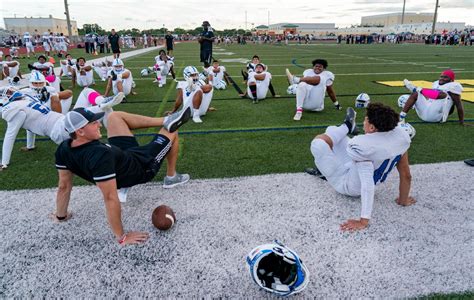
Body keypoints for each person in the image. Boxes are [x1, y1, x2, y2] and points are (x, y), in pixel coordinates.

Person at [51, 105, 192, 245]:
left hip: (122, 156)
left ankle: (167, 119)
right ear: (80, 131)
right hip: (142, 166)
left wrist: (61, 216)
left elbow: (64, 186)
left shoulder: (63, 149)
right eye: (94, 123)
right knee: (172, 130)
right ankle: (171, 177)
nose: (99, 124)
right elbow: (110, 197)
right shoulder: (100, 157)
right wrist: (122, 237)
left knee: (114, 117)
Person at [307, 104, 414, 231]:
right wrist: (403, 199)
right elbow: (406, 174)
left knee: (318, 144)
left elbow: (367, 184)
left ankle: (346, 127)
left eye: (365, 120)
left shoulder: (365, 147)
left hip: (346, 185)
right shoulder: (401, 138)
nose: (363, 122)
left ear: (372, 127)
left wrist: (363, 221)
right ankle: (347, 126)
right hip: (353, 170)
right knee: (332, 131)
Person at [0, 86, 124, 169]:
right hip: (60, 129)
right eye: (8, 93)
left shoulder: (20, 104)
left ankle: (103, 103)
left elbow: (24, 127)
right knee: (104, 107)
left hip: (62, 123)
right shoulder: (16, 107)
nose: (12, 92)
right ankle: (104, 105)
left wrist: (29, 146)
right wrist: (4, 162)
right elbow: (14, 133)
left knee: (87, 92)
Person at [400, 69, 467, 125]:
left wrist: (462, 122)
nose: (442, 79)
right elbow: (431, 98)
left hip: (435, 117)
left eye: (445, 77)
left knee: (444, 95)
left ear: (451, 80)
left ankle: (416, 89)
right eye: (441, 76)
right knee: (415, 94)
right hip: (424, 112)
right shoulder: (436, 83)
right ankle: (401, 117)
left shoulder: (453, 86)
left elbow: (459, 105)